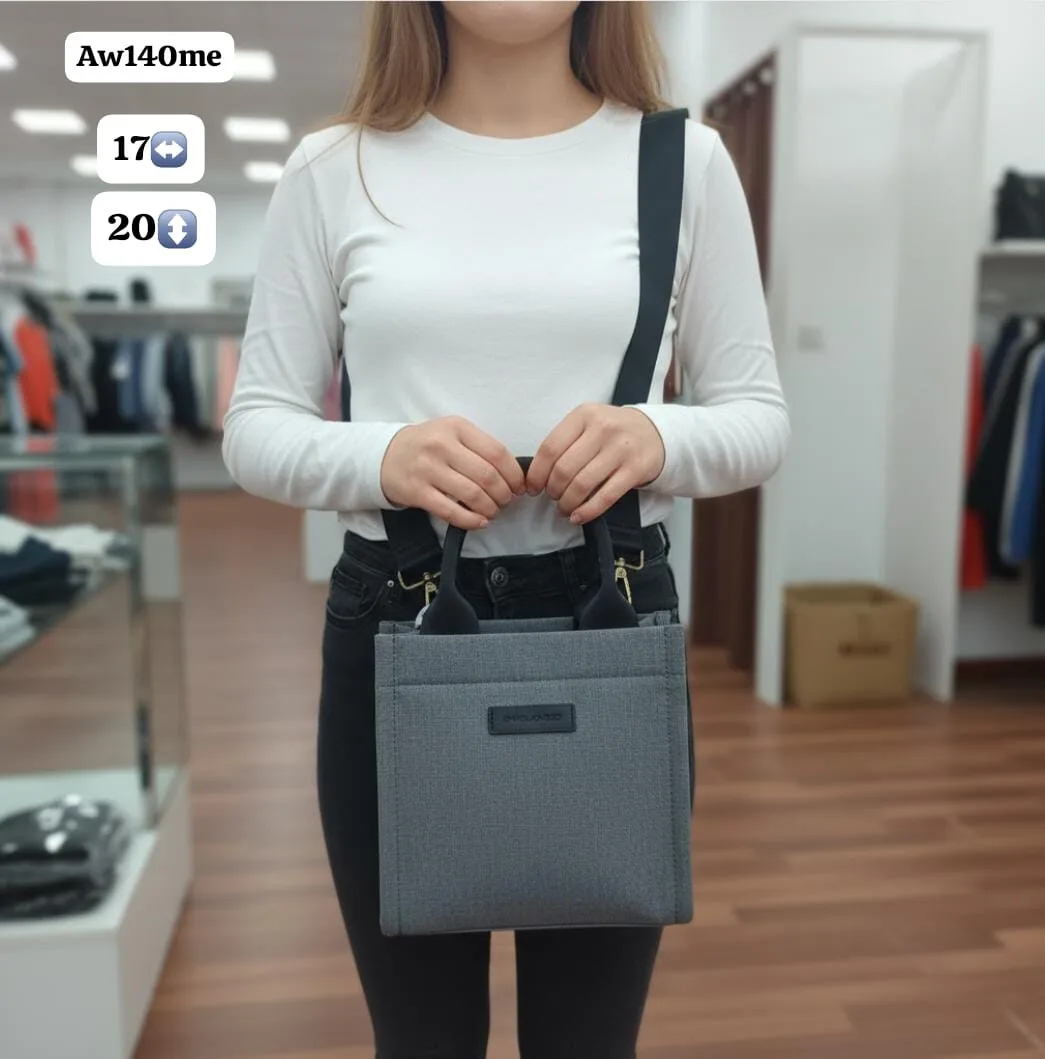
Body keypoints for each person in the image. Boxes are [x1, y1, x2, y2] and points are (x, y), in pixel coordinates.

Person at [222, 2, 789, 1056]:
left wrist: (655, 436)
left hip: (610, 617)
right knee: (420, 1039)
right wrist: (381, 457)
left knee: (589, 1040)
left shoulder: (684, 161)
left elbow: (757, 418)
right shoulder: (333, 167)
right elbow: (256, 427)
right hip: (397, 622)